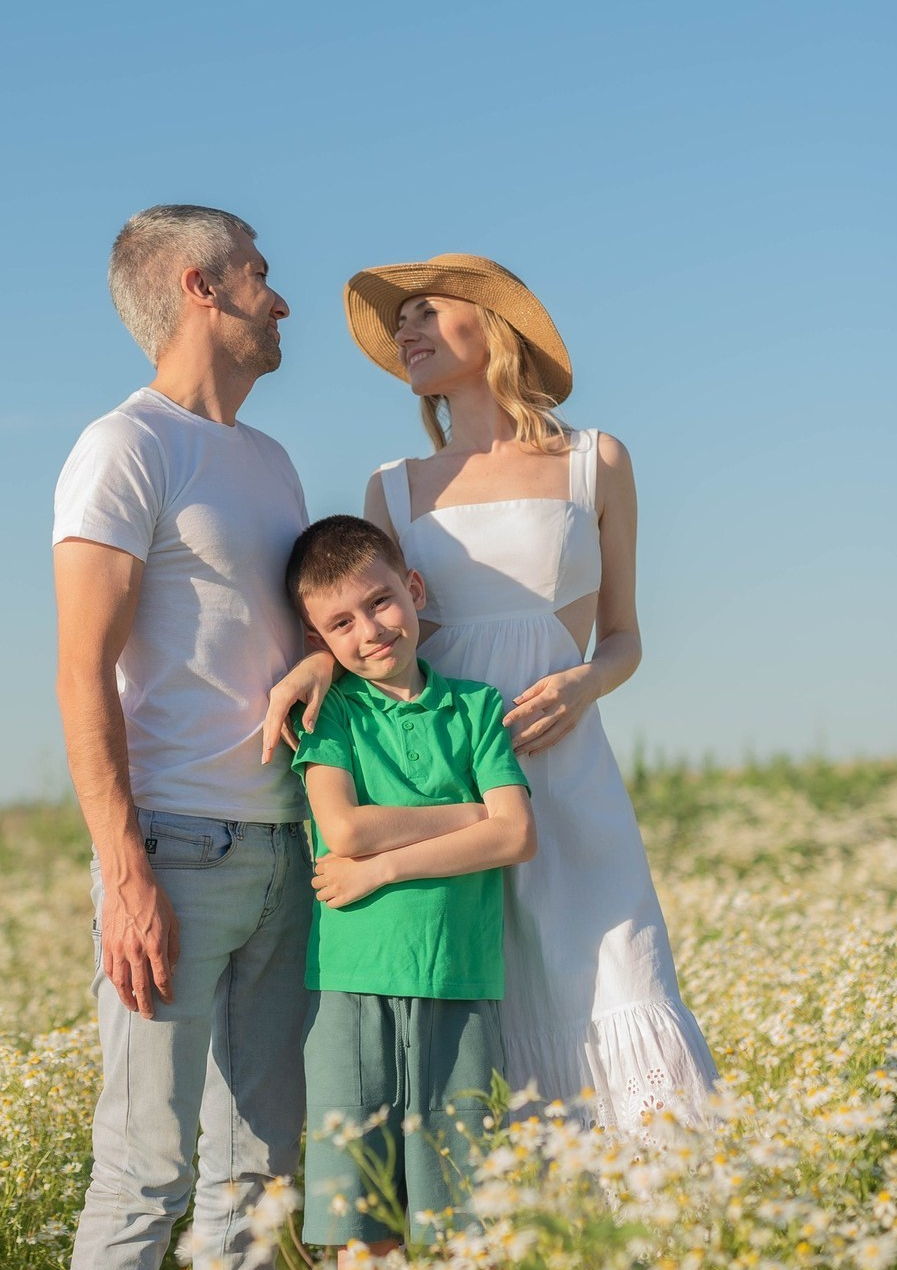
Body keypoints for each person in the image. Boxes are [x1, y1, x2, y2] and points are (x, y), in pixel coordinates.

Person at [267, 254, 716, 1131]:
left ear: (493, 322)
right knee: (486, 1010)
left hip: (563, 765)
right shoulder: (393, 486)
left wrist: (584, 683)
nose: (406, 333)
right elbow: (380, 621)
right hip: (441, 783)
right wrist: (320, 659)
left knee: (618, 977)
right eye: (401, 324)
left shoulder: (596, 460)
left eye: (425, 312)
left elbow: (622, 636)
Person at [53, 204, 314, 1270]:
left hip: (286, 846)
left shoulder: (273, 461)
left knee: (256, 1172)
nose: (279, 294)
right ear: (200, 287)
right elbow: (80, 671)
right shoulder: (122, 446)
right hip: (172, 849)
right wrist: (124, 870)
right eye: (258, 271)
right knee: (145, 1169)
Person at [285, 514, 536, 1261]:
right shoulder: (329, 714)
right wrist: (466, 815)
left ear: (414, 590)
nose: (369, 631)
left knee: (463, 1217)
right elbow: (346, 831)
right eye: (340, 623)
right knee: (359, 1228)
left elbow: (516, 835)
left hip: (460, 982)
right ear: (319, 643)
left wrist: (387, 867)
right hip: (351, 986)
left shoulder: (478, 707)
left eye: (381, 602)